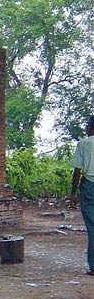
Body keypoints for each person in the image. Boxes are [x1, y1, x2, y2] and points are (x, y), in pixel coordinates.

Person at [70, 115, 94, 276]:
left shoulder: (84, 144)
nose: (85, 127)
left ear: (91, 127)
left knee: (92, 227)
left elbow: (77, 171)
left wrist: (73, 193)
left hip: (89, 187)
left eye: (87, 124)